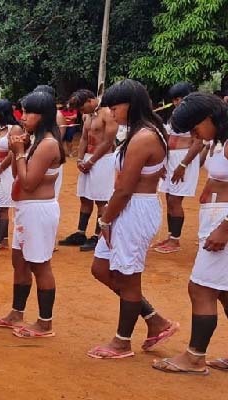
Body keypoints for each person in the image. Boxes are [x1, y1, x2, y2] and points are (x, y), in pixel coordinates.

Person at [87, 79, 179, 359]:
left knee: (129, 277)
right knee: (101, 269)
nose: (112, 113)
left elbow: (125, 188)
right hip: (127, 207)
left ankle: (122, 341)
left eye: (115, 107)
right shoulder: (141, 133)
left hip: (133, 209)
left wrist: (105, 219)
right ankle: (154, 319)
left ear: (131, 104)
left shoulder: (144, 137)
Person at [150, 92, 228, 374]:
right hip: (217, 219)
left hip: (224, 224)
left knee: (201, 288)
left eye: (196, 127)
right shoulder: (219, 141)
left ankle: (195, 357)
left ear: (210, 118)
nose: (195, 133)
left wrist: (224, 227)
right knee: (222, 291)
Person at [0, 91, 63, 338]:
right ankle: (16, 312)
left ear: (43, 116)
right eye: (24, 111)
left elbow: (29, 181)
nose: (25, 117)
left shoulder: (49, 143)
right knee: (19, 261)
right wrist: (19, 148)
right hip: (26, 209)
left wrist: (19, 150)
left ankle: (45, 322)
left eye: (30, 112)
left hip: (37, 210)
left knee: (40, 265)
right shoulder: (37, 141)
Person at [59, 89, 118, 251]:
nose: (81, 112)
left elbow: (107, 142)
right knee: (85, 197)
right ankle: (81, 232)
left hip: (103, 161)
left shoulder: (107, 114)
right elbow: (84, 138)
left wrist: (91, 161)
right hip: (88, 160)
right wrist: (80, 159)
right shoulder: (88, 116)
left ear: (90, 101)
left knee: (101, 200)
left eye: (82, 108)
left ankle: (97, 236)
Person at [154, 82, 204, 254]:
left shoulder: (195, 116)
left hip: (184, 159)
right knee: (169, 198)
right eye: (174, 99)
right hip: (171, 159)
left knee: (175, 200)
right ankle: (171, 236)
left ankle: (175, 240)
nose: (176, 102)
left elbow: (198, 143)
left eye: (179, 98)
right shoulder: (173, 114)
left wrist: (183, 165)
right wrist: (162, 163)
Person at [0, 100, 20, 252]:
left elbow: (13, 151)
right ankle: (4, 240)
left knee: (2, 207)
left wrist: (1, 168)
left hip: (6, 170)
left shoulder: (14, 129)